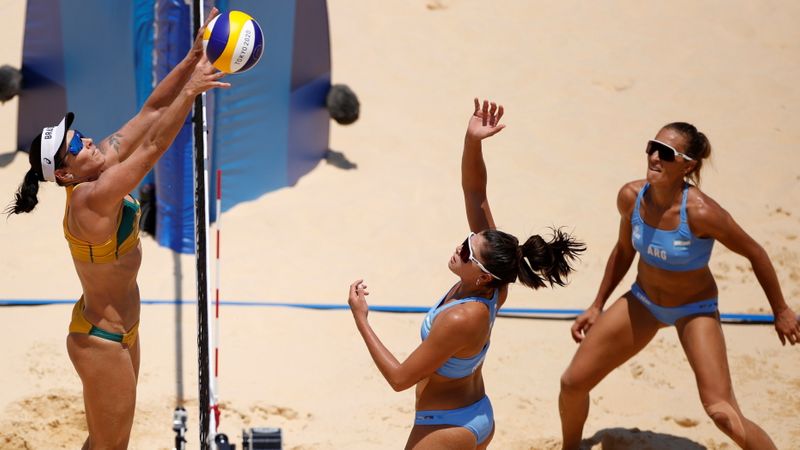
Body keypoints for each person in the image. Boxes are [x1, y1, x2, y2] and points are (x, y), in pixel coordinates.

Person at [6, 9, 229, 449]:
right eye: (76, 146)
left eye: (80, 133)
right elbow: (152, 146)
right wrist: (193, 91)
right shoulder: (91, 198)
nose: (87, 140)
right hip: (101, 340)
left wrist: (192, 58)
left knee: (107, 442)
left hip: (123, 327)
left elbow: (150, 112)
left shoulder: (97, 165)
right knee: (112, 446)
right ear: (66, 175)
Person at [348, 99, 585, 449]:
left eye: (466, 252)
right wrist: (473, 140)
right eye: (466, 240)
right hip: (472, 412)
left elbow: (399, 379)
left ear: (484, 274)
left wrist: (361, 319)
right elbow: (475, 191)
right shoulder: (494, 280)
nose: (459, 248)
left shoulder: (462, 317)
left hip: (445, 427)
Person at [558, 122, 800, 450]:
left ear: (688, 165)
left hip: (693, 309)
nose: (655, 157)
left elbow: (755, 253)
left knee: (721, 412)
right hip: (643, 301)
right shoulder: (631, 197)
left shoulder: (702, 212)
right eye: (651, 147)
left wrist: (781, 310)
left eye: (666, 153)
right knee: (572, 383)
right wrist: (597, 304)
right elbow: (624, 250)